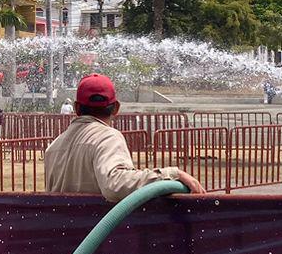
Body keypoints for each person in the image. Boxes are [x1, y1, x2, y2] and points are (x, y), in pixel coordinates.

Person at [45, 74, 204, 201]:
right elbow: (115, 184)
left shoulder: (53, 147)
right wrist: (173, 174)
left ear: (77, 108)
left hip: (61, 238)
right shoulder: (107, 137)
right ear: (116, 108)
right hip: (99, 236)